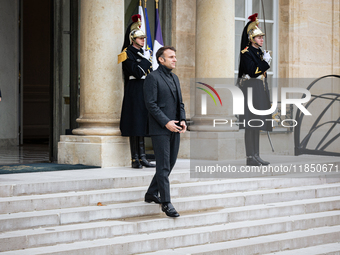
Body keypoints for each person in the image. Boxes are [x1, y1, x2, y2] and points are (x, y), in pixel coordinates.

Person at [143, 46, 187, 217]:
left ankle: (151, 193)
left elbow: (180, 103)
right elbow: (150, 104)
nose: (174, 59)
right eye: (171, 57)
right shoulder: (152, 78)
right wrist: (165, 122)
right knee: (163, 166)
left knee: (170, 163)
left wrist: (182, 119)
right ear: (161, 59)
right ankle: (166, 203)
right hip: (160, 128)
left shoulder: (175, 78)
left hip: (175, 127)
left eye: (175, 56)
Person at [118, 14, 155, 169]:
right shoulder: (126, 53)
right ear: (133, 39)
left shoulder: (143, 54)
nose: (143, 40)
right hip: (134, 90)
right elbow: (138, 72)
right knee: (135, 123)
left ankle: (142, 157)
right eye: (140, 38)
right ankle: (135, 159)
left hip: (143, 89)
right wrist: (146, 60)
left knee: (142, 124)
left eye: (143, 38)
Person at [238, 13, 272, 166]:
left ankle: (256, 155)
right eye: (259, 37)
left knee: (257, 123)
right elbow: (253, 72)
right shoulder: (246, 53)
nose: (262, 40)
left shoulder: (259, 53)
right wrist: (265, 63)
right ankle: (250, 157)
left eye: (262, 37)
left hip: (259, 88)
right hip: (251, 89)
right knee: (251, 124)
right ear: (251, 39)